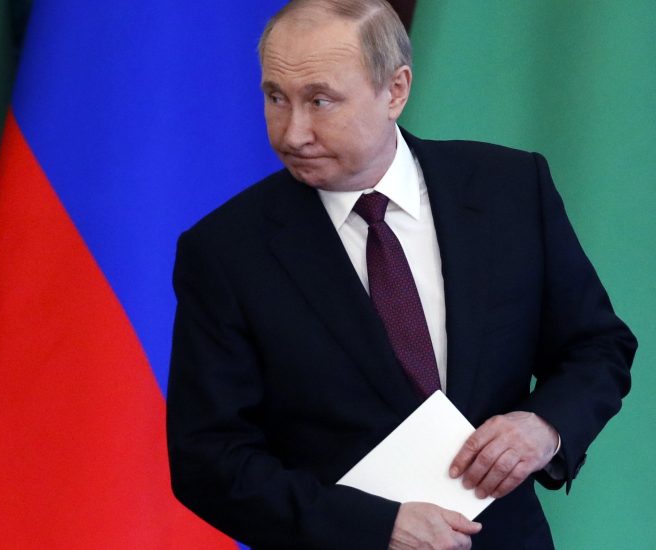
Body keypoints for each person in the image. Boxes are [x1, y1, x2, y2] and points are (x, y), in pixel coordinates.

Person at [165, 0, 637, 548]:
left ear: (395, 90)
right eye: (276, 98)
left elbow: (596, 346)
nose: (292, 133)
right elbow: (208, 458)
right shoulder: (225, 252)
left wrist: (545, 427)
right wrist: (374, 528)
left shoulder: (509, 189)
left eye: (320, 101)